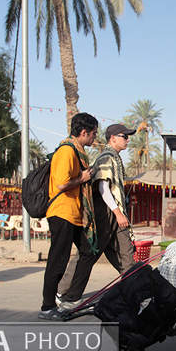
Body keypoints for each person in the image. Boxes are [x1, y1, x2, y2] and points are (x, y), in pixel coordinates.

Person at [57, 124, 137, 309]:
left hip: (115, 215)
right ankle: (62, 291)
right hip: (105, 213)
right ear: (113, 138)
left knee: (126, 254)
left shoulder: (115, 157)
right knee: (89, 253)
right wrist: (117, 213)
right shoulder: (106, 157)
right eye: (124, 136)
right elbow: (103, 188)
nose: (127, 140)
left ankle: (136, 291)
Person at [38, 112, 98, 320]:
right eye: (93, 133)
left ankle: (71, 298)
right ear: (84, 132)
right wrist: (82, 178)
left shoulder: (78, 152)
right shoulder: (67, 151)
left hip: (75, 213)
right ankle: (47, 306)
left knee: (88, 251)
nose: (94, 137)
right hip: (61, 212)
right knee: (58, 260)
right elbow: (61, 184)